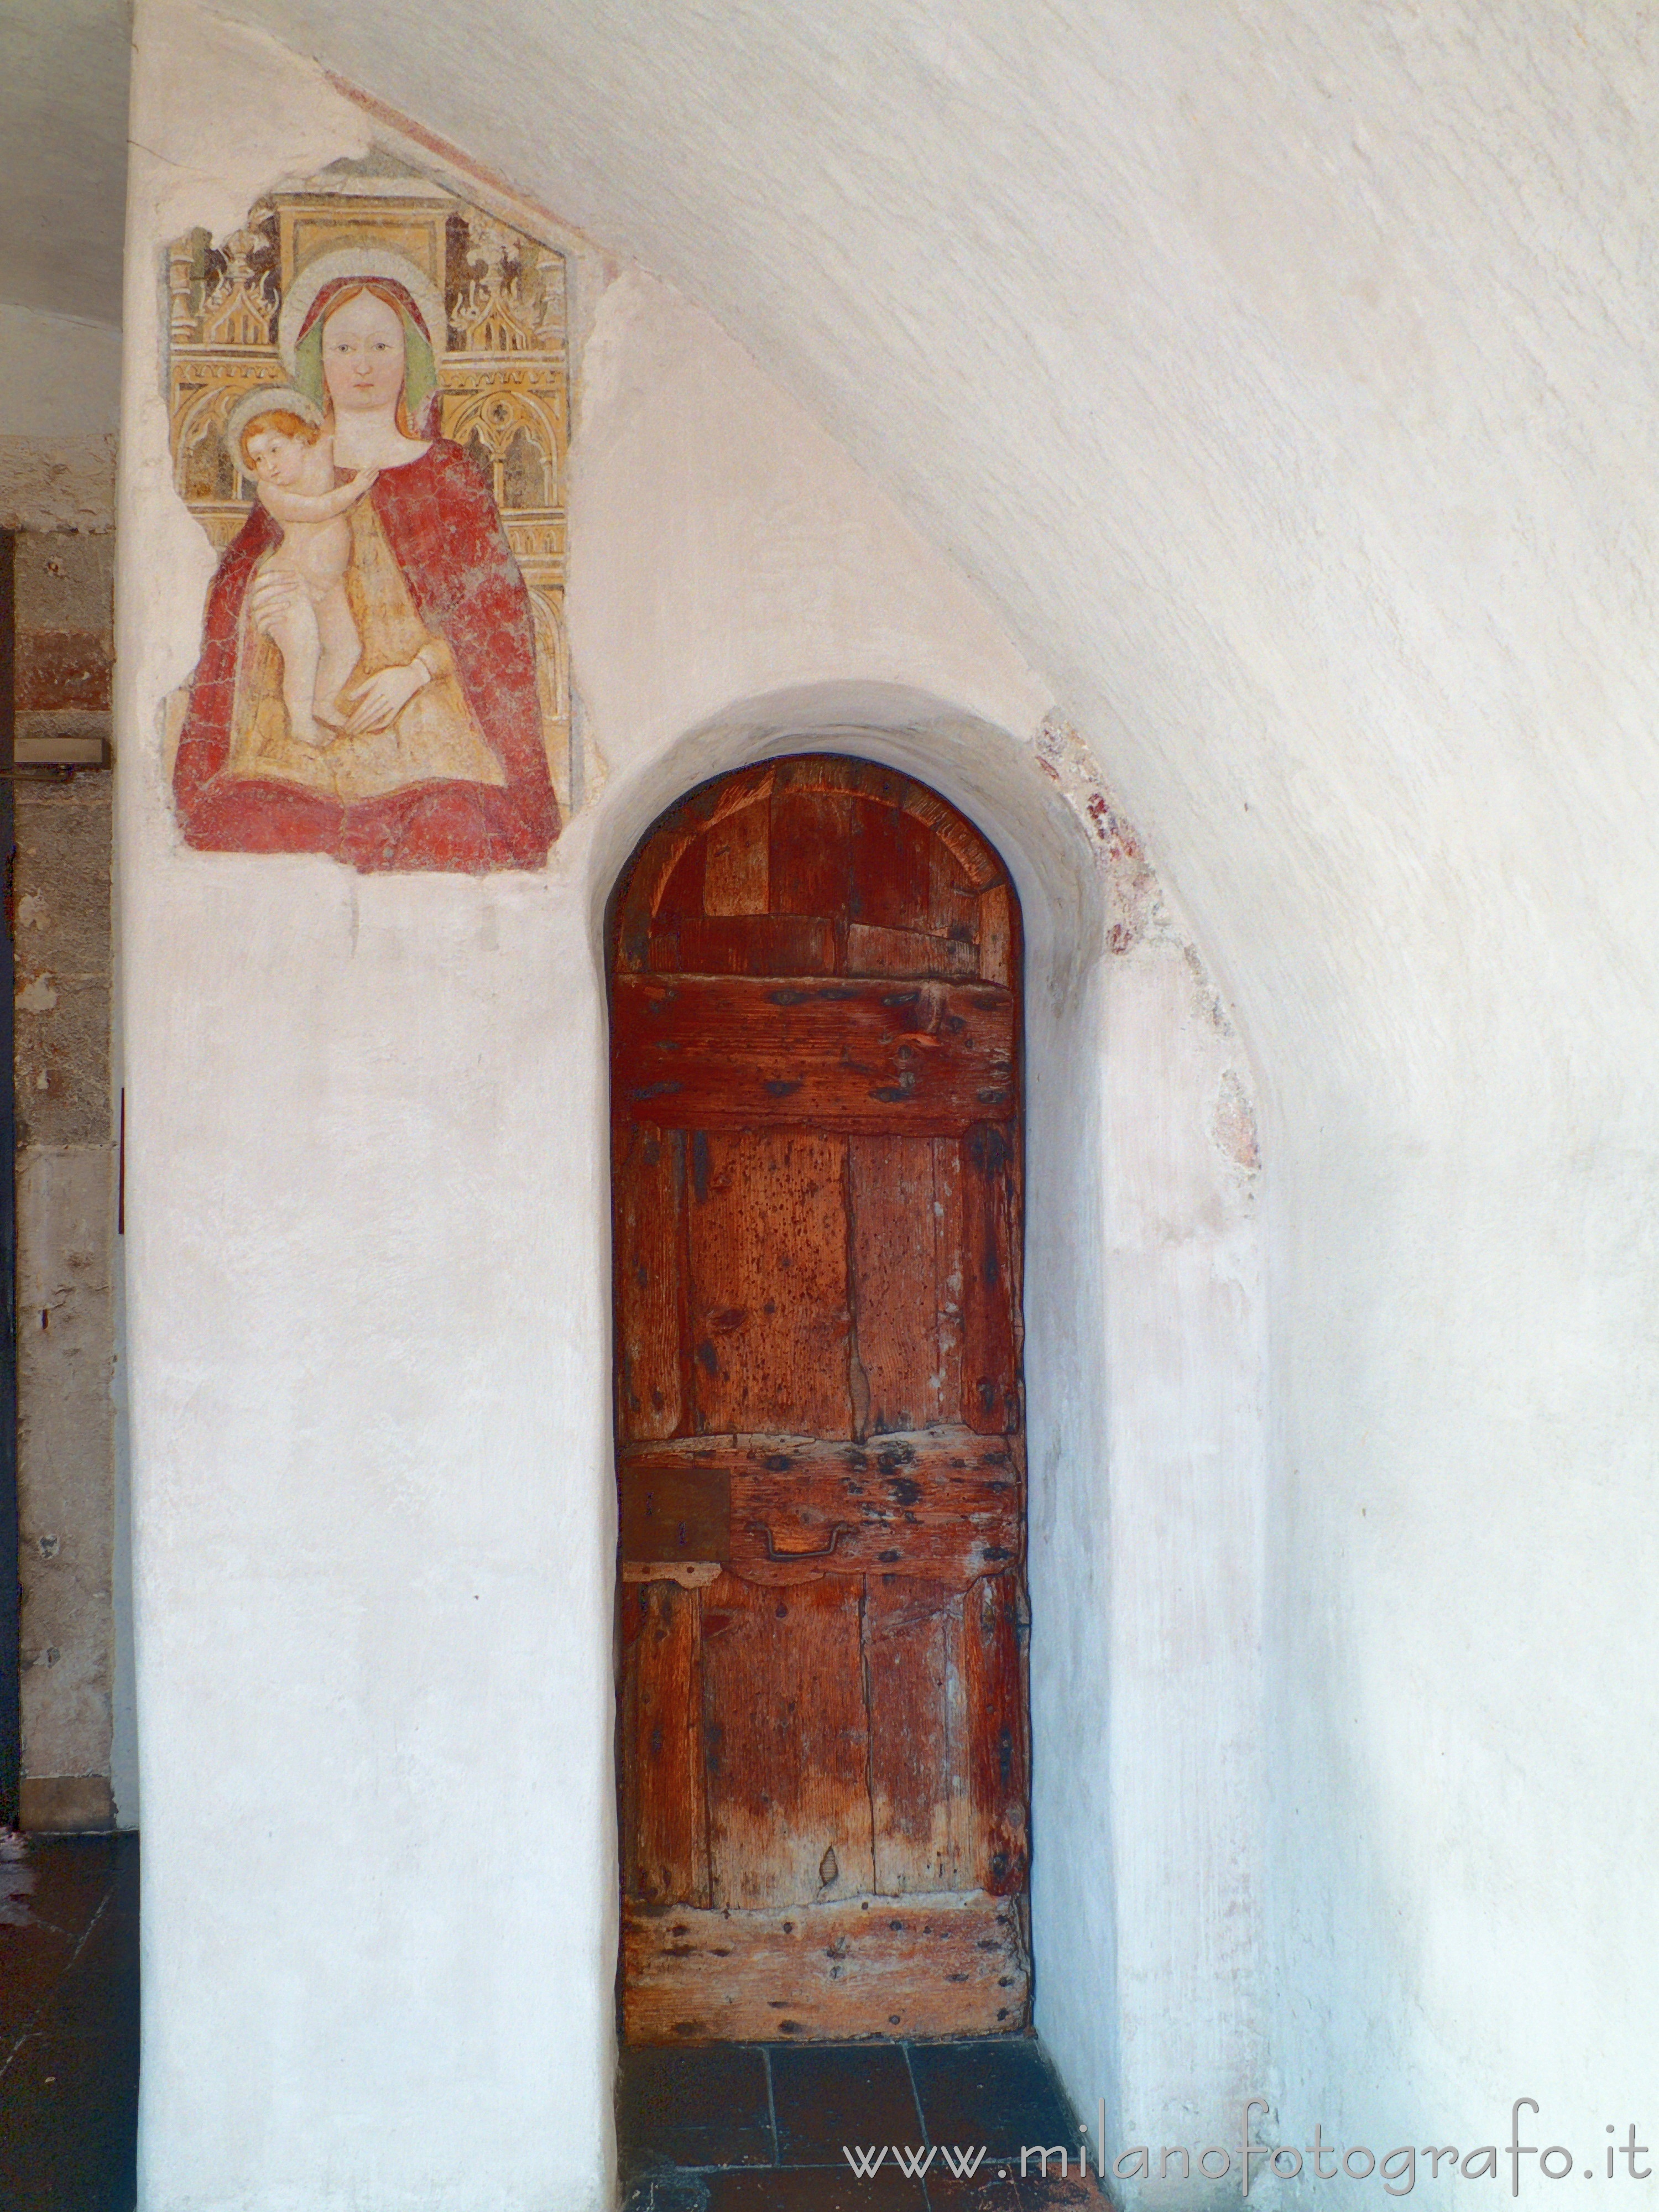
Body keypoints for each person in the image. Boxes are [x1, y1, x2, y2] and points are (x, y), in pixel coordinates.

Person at [175, 257, 560, 872]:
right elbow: (233, 592)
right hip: (300, 722)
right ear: (317, 362)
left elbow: (494, 612)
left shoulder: (447, 473)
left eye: (381, 345)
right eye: (344, 346)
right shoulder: (293, 473)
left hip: (423, 716)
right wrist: (259, 599)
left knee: (459, 826)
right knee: (250, 819)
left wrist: (414, 672)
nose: (362, 365)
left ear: (411, 357)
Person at [232, 401, 377, 746]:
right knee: (304, 649)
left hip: (327, 585)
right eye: (259, 461)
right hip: (287, 583)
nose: (268, 465)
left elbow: (338, 423)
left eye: (274, 449)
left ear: (299, 439)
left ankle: (322, 702)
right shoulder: (272, 492)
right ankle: (300, 724)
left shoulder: (320, 453)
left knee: (347, 649)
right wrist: (357, 488)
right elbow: (318, 509)